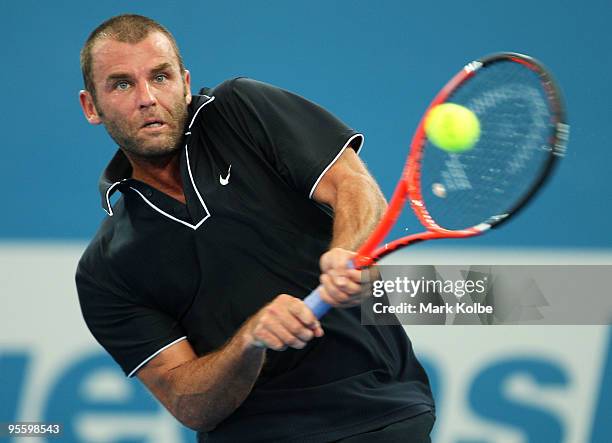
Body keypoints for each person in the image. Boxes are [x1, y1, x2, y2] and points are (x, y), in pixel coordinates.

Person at [76, 14, 435, 442]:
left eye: (161, 76)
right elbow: (188, 403)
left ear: (186, 84)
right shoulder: (105, 270)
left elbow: (352, 185)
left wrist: (347, 249)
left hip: (377, 416)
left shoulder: (240, 109)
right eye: (121, 84)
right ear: (91, 107)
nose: (147, 98)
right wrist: (250, 342)